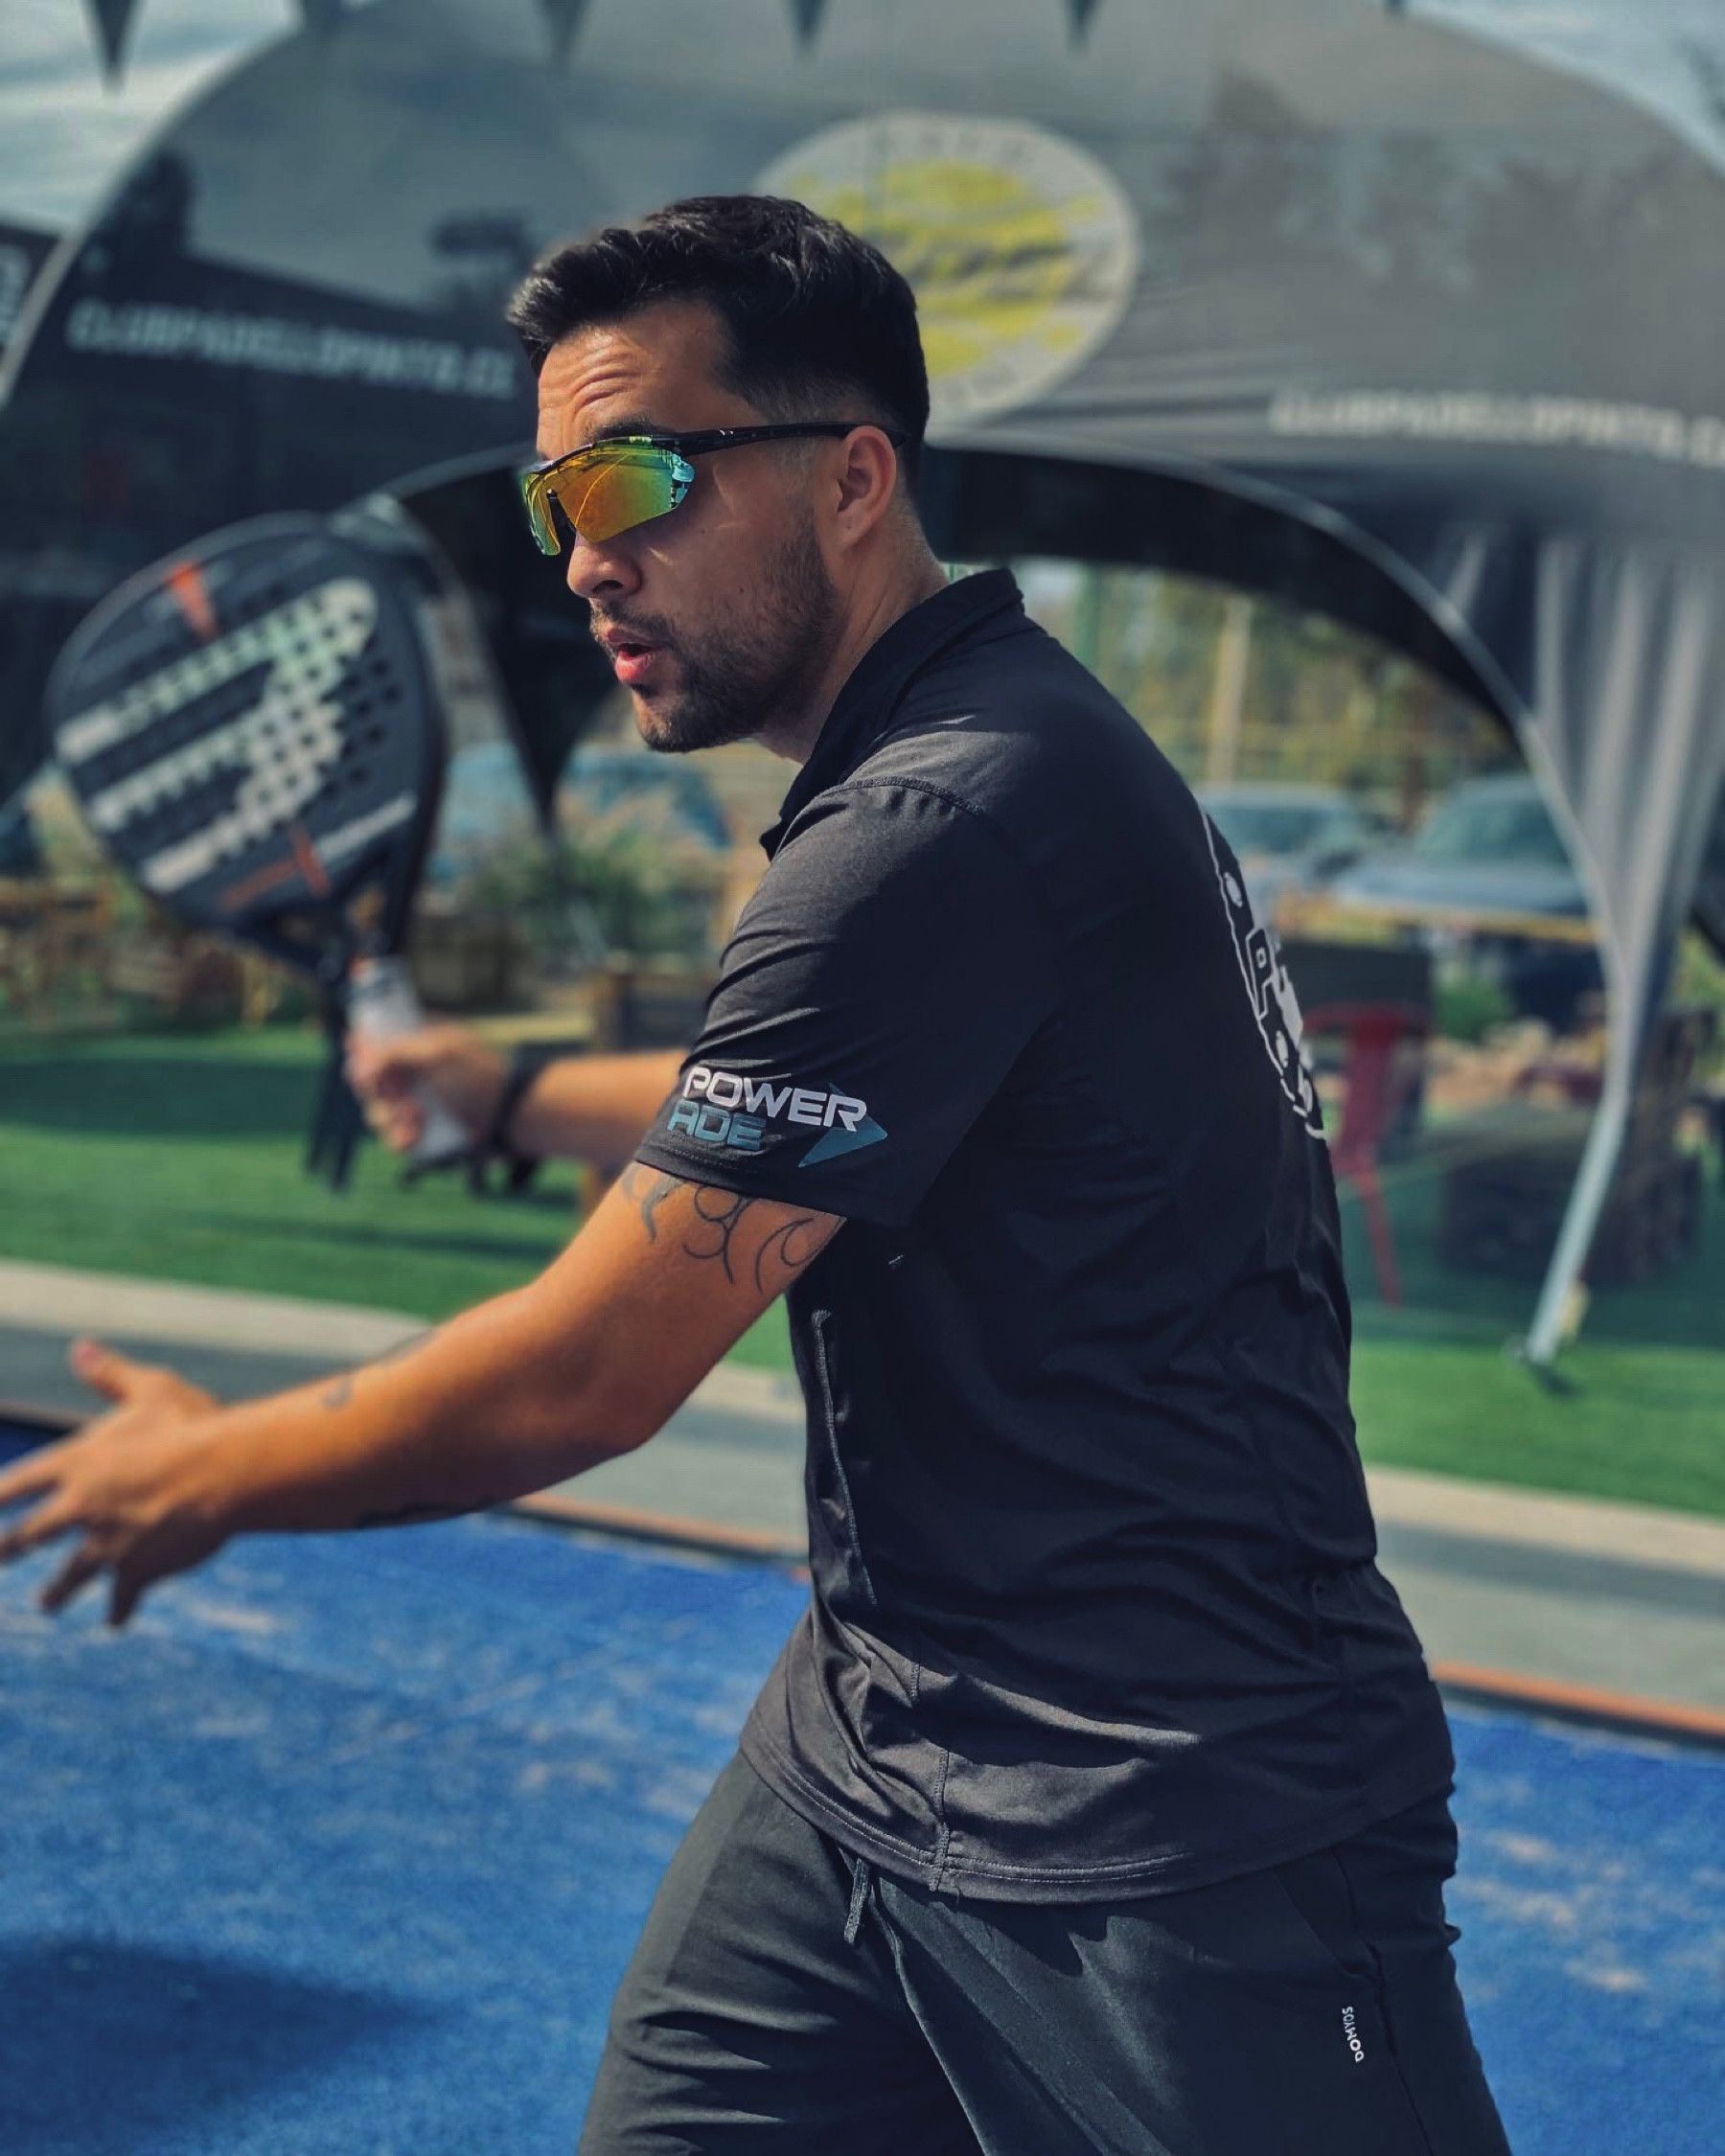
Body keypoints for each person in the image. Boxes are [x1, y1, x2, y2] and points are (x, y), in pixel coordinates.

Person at [0, 196, 1510, 2156]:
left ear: (854, 476)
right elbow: (826, 1100)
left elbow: (585, 1374)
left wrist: (208, 1470)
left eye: (637, 479)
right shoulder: (996, 745)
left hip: (1180, 1807)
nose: (587, 560)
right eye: (556, 503)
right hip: (877, 1744)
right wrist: (508, 1089)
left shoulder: (935, 820)